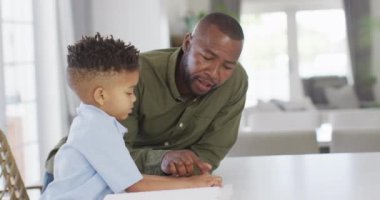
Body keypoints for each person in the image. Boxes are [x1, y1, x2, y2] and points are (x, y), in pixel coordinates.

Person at [44, 12, 247, 187]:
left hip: (135, 181)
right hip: (79, 179)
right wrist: (164, 162)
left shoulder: (234, 84)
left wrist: (183, 173)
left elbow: (208, 155)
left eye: (227, 66)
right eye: (207, 58)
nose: (214, 73)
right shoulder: (132, 78)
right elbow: (118, 159)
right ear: (187, 43)